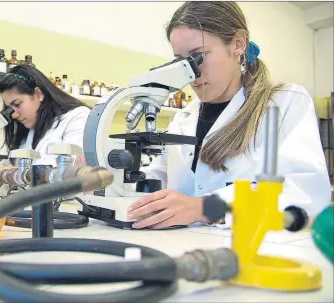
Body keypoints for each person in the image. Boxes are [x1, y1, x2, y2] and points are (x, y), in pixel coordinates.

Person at [126, 1, 331, 230]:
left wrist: (204, 208)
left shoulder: (284, 103)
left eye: (198, 56)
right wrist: (110, 179)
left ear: (238, 44)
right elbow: (155, 180)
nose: (190, 73)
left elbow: (304, 193)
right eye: (180, 61)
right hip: (183, 253)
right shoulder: (184, 117)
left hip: (251, 253)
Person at [0, 64, 90, 166]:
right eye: (10, 108)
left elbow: (72, 169)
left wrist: (21, 174)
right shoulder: (27, 129)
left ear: (38, 94)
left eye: (17, 104)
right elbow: (10, 165)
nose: (14, 115)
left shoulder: (78, 117)